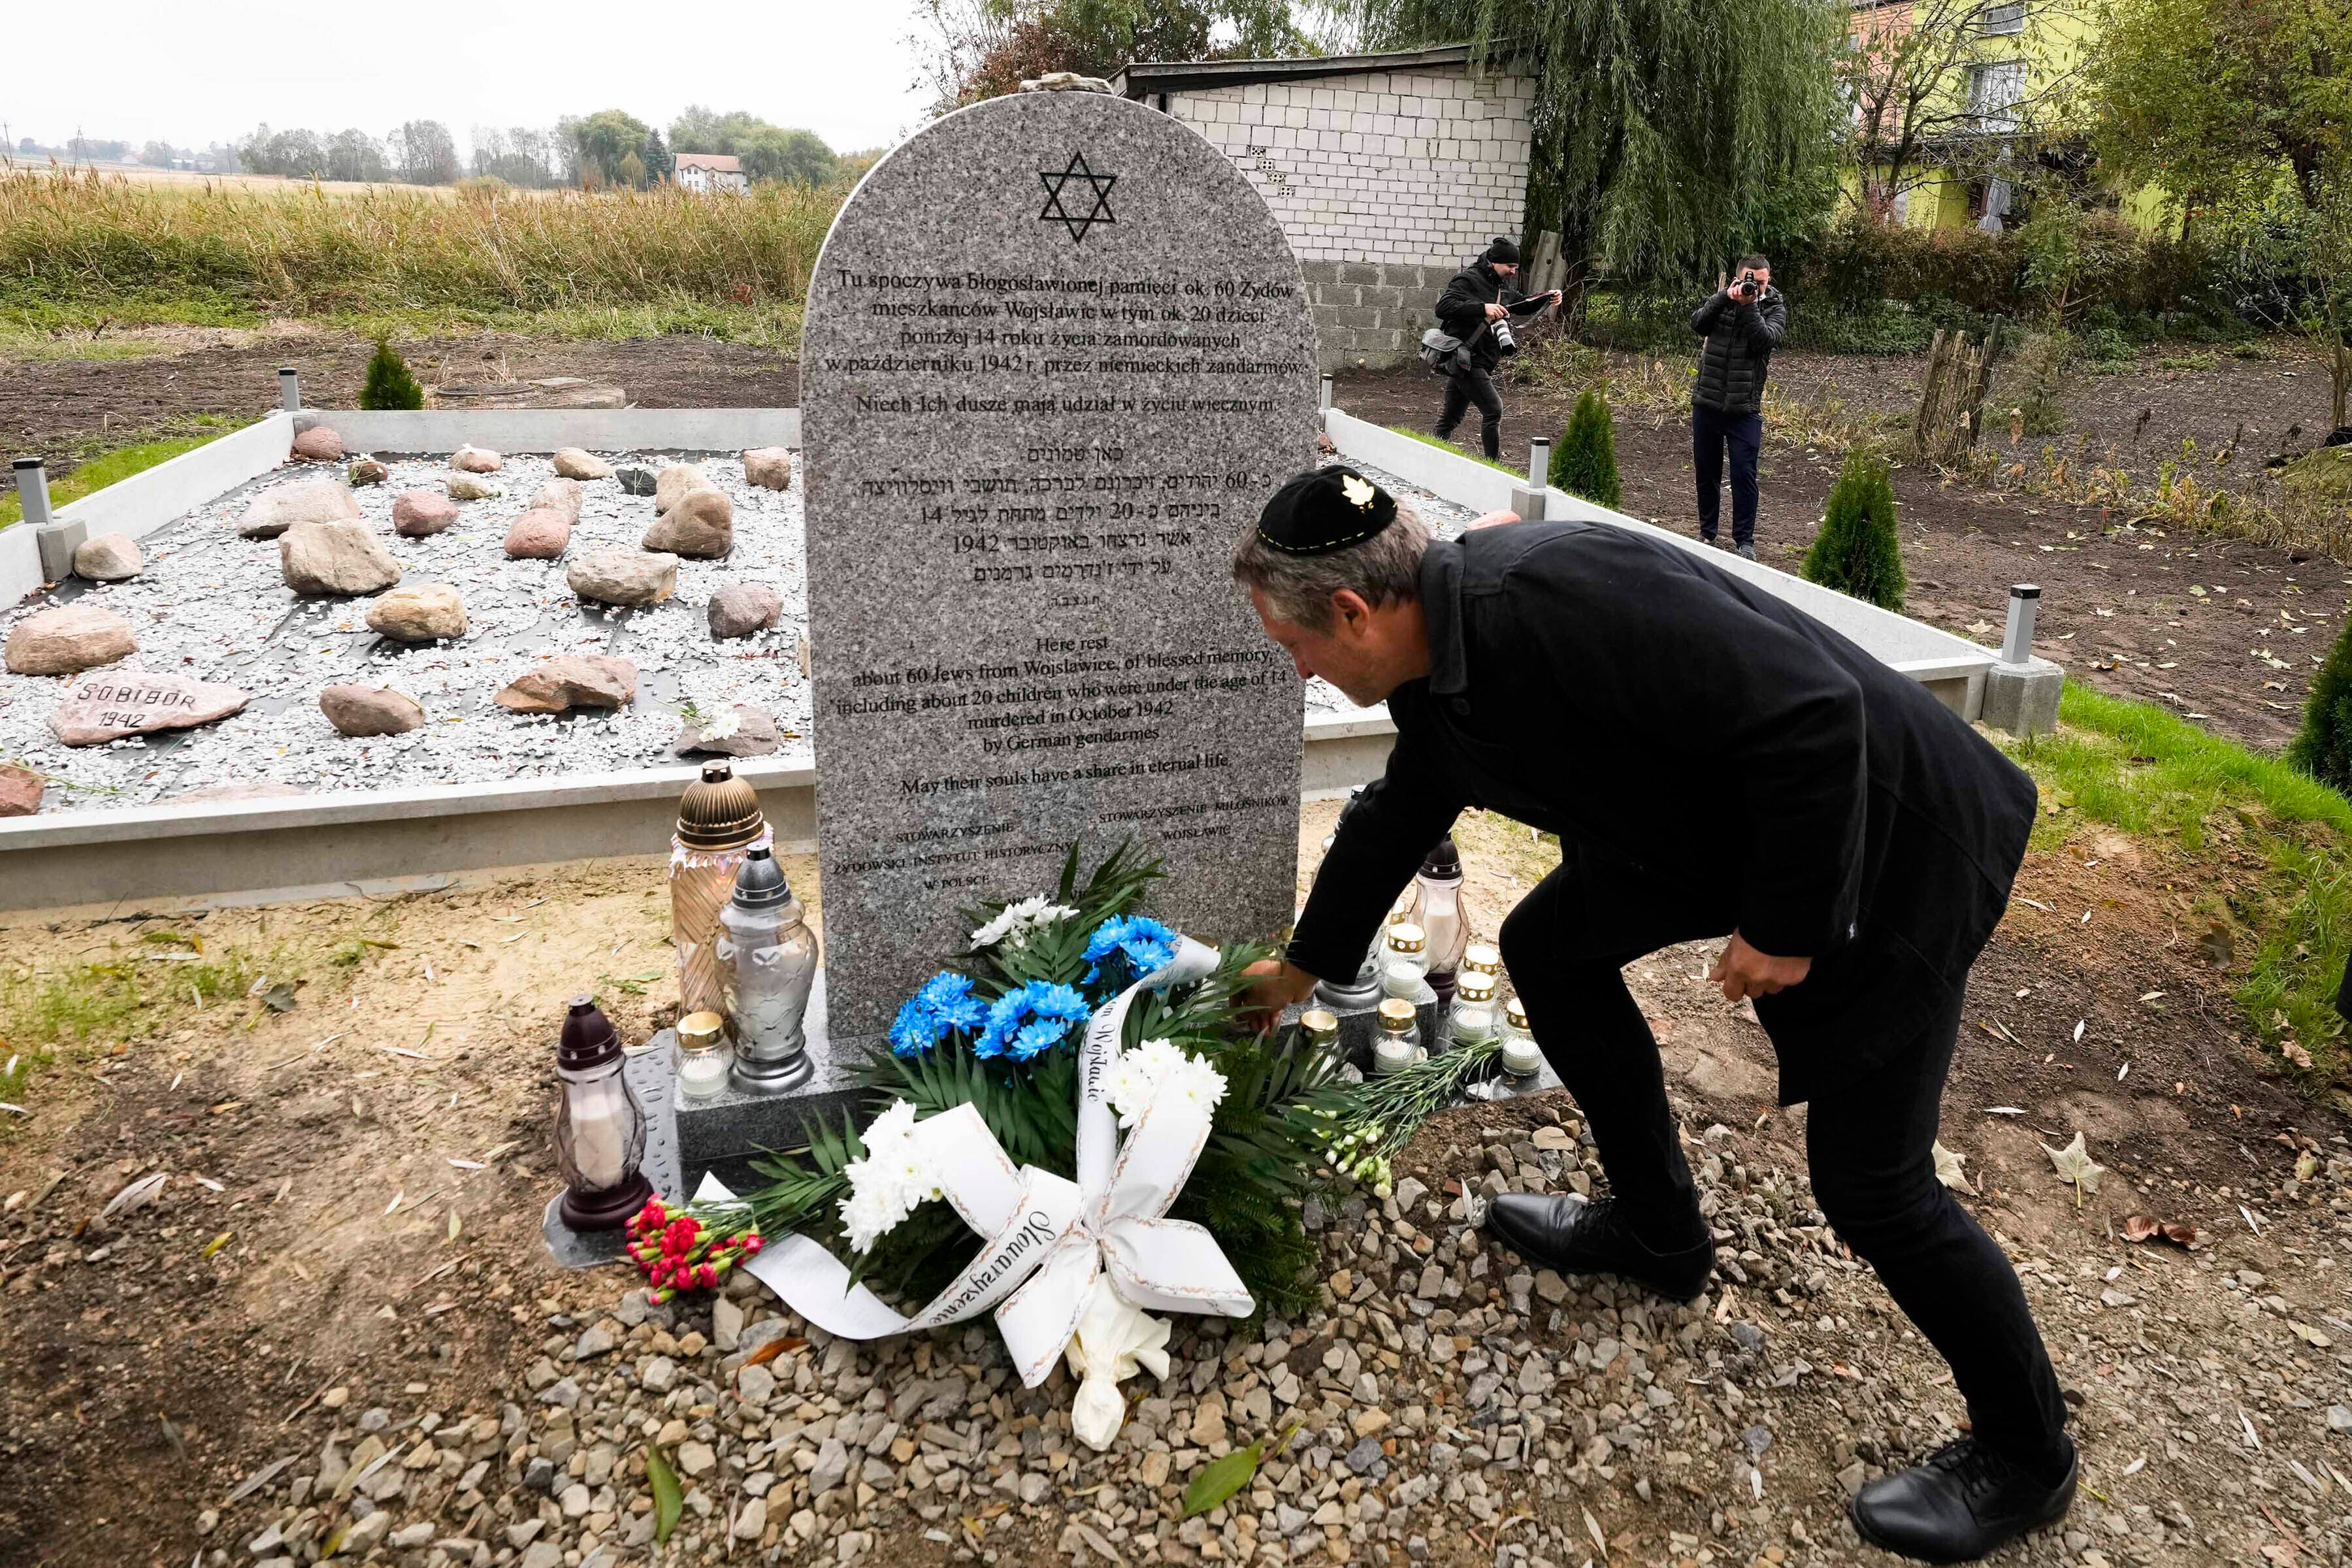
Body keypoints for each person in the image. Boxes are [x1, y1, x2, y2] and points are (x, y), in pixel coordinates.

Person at [1234, 466, 2077, 1565]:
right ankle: (1658, 1230)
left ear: (1352, 611)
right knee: (1550, 946)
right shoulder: (1435, 666)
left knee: (1875, 1184)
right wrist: (1302, 972)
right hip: (1720, 835)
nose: (1293, 666)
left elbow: (1814, 716)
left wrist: (1785, 924)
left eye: (1292, 645)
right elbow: (1404, 810)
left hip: (1884, 839)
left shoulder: (1560, 596)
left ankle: (2027, 1451)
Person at [1690, 255, 1787, 561]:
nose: (1754, 286)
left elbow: (1764, 340)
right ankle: (1707, 533)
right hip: (1707, 401)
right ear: (1738, 276)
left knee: (1744, 474)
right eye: (1750, 280)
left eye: (1760, 282)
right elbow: (1698, 324)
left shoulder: (1774, 308)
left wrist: (1750, 307)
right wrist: (1722, 298)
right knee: (1707, 471)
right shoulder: (1723, 298)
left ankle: (1744, 541)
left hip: (1744, 407)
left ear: (1768, 280)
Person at [1432, 237, 1558, 459]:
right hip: (1467, 360)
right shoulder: (1468, 280)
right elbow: (1443, 307)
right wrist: (1482, 308)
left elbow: (1523, 304)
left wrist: (1548, 297)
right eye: (1510, 267)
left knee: (1450, 419)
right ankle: (1493, 463)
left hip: (1478, 360)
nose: (1513, 272)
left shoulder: (1499, 285)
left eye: (1516, 268)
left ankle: (1428, 454)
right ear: (1494, 262)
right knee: (1493, 410)